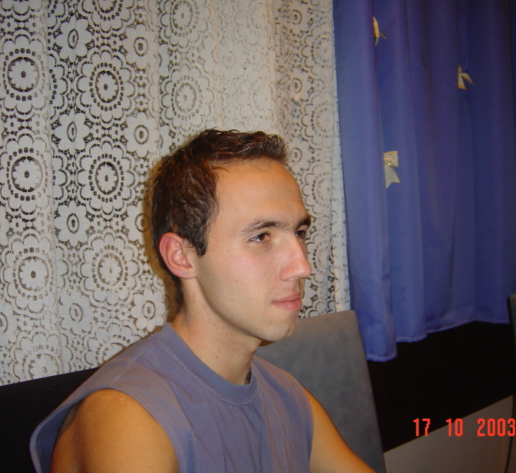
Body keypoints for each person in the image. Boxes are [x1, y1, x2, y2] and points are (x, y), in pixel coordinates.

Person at [30, 129, 374, 473]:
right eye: (261, 236)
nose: (302, 266)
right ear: (181, 256)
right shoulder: (127, 416)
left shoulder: (287, 397)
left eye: (299, 233)